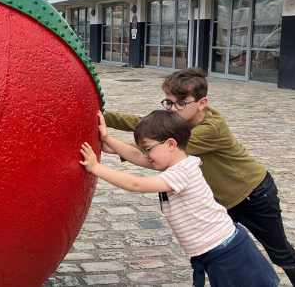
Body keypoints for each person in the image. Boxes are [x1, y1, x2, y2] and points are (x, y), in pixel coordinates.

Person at [104, 67, 295, 286]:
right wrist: (102, 115)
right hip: (221, 202)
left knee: (281, 254)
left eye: (180, 102)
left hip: (253, 195)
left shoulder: (210, 129)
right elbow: (143, 123)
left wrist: (115, 147)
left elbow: (159, 148)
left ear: (201, 103)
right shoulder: (182, 120)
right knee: (223, 255)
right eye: (168, 102)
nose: (173, 108)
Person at [81, 110, 279, 287]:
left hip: (228, 252)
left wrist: (96, 168)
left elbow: (136, 184)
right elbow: (137, 156)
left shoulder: (182, 172)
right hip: (216, 251)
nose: (147, 155)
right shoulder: (176, 164)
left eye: (148, 148)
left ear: (170, 144)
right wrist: (107, 138)